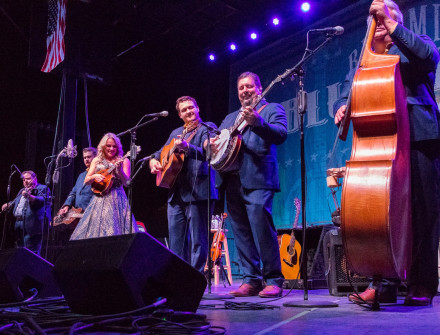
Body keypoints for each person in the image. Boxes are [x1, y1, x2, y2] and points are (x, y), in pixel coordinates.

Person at [334, 0, 440, 306]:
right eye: (377, 16)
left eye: (388, 15)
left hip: (419, 138)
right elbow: (347, 92)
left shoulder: (415, 46)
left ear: (398, 21)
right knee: (381, 214)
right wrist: (342, 106)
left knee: (422, 214)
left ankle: (421, 284)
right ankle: (382, 284)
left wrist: (392, 25)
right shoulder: (365, 61)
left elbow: (427, 58)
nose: (380, 19)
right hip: (380, 146)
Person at [210, 72, 287, 297]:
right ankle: (251, 279)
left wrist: (259, 122)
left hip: (258, 178)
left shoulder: (272, 109)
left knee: (262, 229)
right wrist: (211, 143)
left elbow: (281, 134)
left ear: (259, 88)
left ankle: (273, 279)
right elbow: (218, 142)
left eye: (249, 87)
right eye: (241, 88)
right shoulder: (230, 117)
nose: (245, 91)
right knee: (241, 232)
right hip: (231, 180)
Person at [149, 96, 218, 273]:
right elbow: (159, 153)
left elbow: (209, 152)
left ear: (197, 108)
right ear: (180, 114)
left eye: (191, 108)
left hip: (198, 191)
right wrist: (153, 161)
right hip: (176, 193)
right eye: (184, 110)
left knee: (198, 240)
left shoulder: (208, 128)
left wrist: (189, 148)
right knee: (176, 241)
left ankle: (195, 278)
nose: (189, 111)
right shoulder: (175, 133)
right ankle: (176, 277)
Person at [70, 133, 138, 240]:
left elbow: (126, 183)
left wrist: (119, 171)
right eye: (108, 146)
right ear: (103, 146)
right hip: (99, 199)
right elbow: (87, 180)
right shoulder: (96, 160)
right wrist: (95, 176)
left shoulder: (124, 161)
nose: (111, 149)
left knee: (117, 230)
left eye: (114, 146)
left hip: (118, 198)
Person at [1, 171, 51, 255]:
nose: (25, 181)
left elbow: (42, 200)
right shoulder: (22, 190)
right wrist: (8, 204)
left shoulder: (42, 188)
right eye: (23, 180)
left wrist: (29, 196)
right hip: (18, 224)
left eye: (28, 179)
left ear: (35, 179)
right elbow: (16, 201)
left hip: (32, 225)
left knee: (31, 252)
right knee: (20, 250)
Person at [58, 147, 97, 215]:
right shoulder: (81, 176)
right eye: (84, 158)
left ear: (96, 158)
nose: (86, 159)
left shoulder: (99, 174)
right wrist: (67, 205)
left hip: (92, 213)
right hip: (78, 213)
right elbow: (73, 193)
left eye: (89, 157)